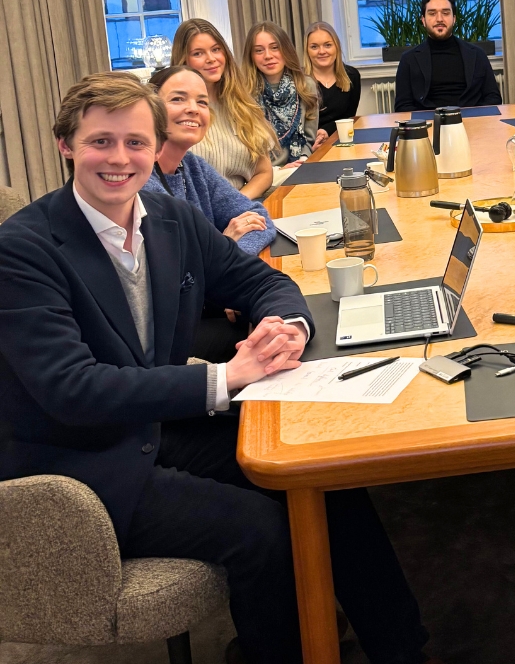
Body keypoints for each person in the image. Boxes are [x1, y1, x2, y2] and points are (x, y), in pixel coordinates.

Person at [0, 73, 433, 664]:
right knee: (259, 528)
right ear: (67, 146)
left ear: (157, 148)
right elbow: (73, 391)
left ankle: (400, 650)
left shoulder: (169, 217)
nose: (120, 158)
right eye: (101, 141)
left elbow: (258, 281)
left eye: (135, 142)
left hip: (159, 426)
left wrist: (287, 328)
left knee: (317, 473)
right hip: (80, 466)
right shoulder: (24, 247)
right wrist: (227, 376)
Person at [142, 65, 275, 256]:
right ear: (151, 109)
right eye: (177, 99)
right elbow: (181, 263)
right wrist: (226, 245)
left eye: (202, 102)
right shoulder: (141, 177)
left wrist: (224, 254)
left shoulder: (193, 166)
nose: (193, 109)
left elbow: (259, 218)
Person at [171, 19, 276, 199]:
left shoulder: (242, 106)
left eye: (216, 49)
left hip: (241, 205)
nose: (211, 59)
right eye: (198, 53)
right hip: (197, 215)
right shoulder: (174, 112)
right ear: (184, 60)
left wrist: (236, 205)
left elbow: (263, 172)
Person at [393, 0, 501, 111]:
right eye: (432, 13)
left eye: (445, 13)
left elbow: (493, 97)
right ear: (423, 20)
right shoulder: (409, 59)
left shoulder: (477, 54)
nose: (439, 19)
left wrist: (474, 120)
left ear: (454, 19)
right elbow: (402, 106)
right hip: (429, 123)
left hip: (470, 122)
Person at [243, 21, 320, 167]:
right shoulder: (245, 92)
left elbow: (310, 139)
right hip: (263, 173)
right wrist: (277, 171)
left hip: (298, 166)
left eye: (274, 48)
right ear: (251, 56)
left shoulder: (306, 86)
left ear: (286, 49)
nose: (268, 56)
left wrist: (302, 161)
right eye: (259, 50)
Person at [306, 20, 361, 143]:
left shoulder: (352, 76)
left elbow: (348, 117)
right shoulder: (299, 80)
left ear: (336, 46)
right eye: (314, 47)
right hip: (308, 145)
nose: (322, 51)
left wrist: (326, 130)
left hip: (341, 139)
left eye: (327, 45)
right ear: (307, 51)